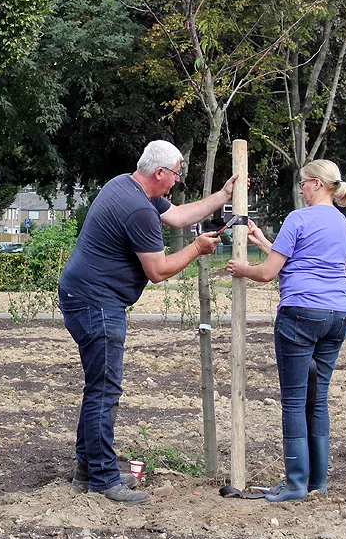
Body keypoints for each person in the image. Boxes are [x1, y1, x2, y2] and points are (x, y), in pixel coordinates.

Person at [58, 139, 237, 505]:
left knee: (98, 388)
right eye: (175, 175)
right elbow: (157, 270)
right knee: (104, 392)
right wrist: (196, 248)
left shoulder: (124, 184)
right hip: (97, 304)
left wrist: (223, 195)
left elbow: (177, 216)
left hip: (84, 295)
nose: (176, 181)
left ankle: (87, 469)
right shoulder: (138, 209)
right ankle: (104, 480)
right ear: (159, 173)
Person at [226, 159, 346, 502]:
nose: (300, 189)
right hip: (338, 315)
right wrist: (261, 240)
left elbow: (270, 273)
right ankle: (317, 483)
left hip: (300, 314)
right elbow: (302, 262)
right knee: (319, 401)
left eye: (303, 183)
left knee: (295, 401)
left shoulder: (298, 218)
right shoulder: (343, 225)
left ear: (317, 183)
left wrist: (243, 268)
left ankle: (294, 483)